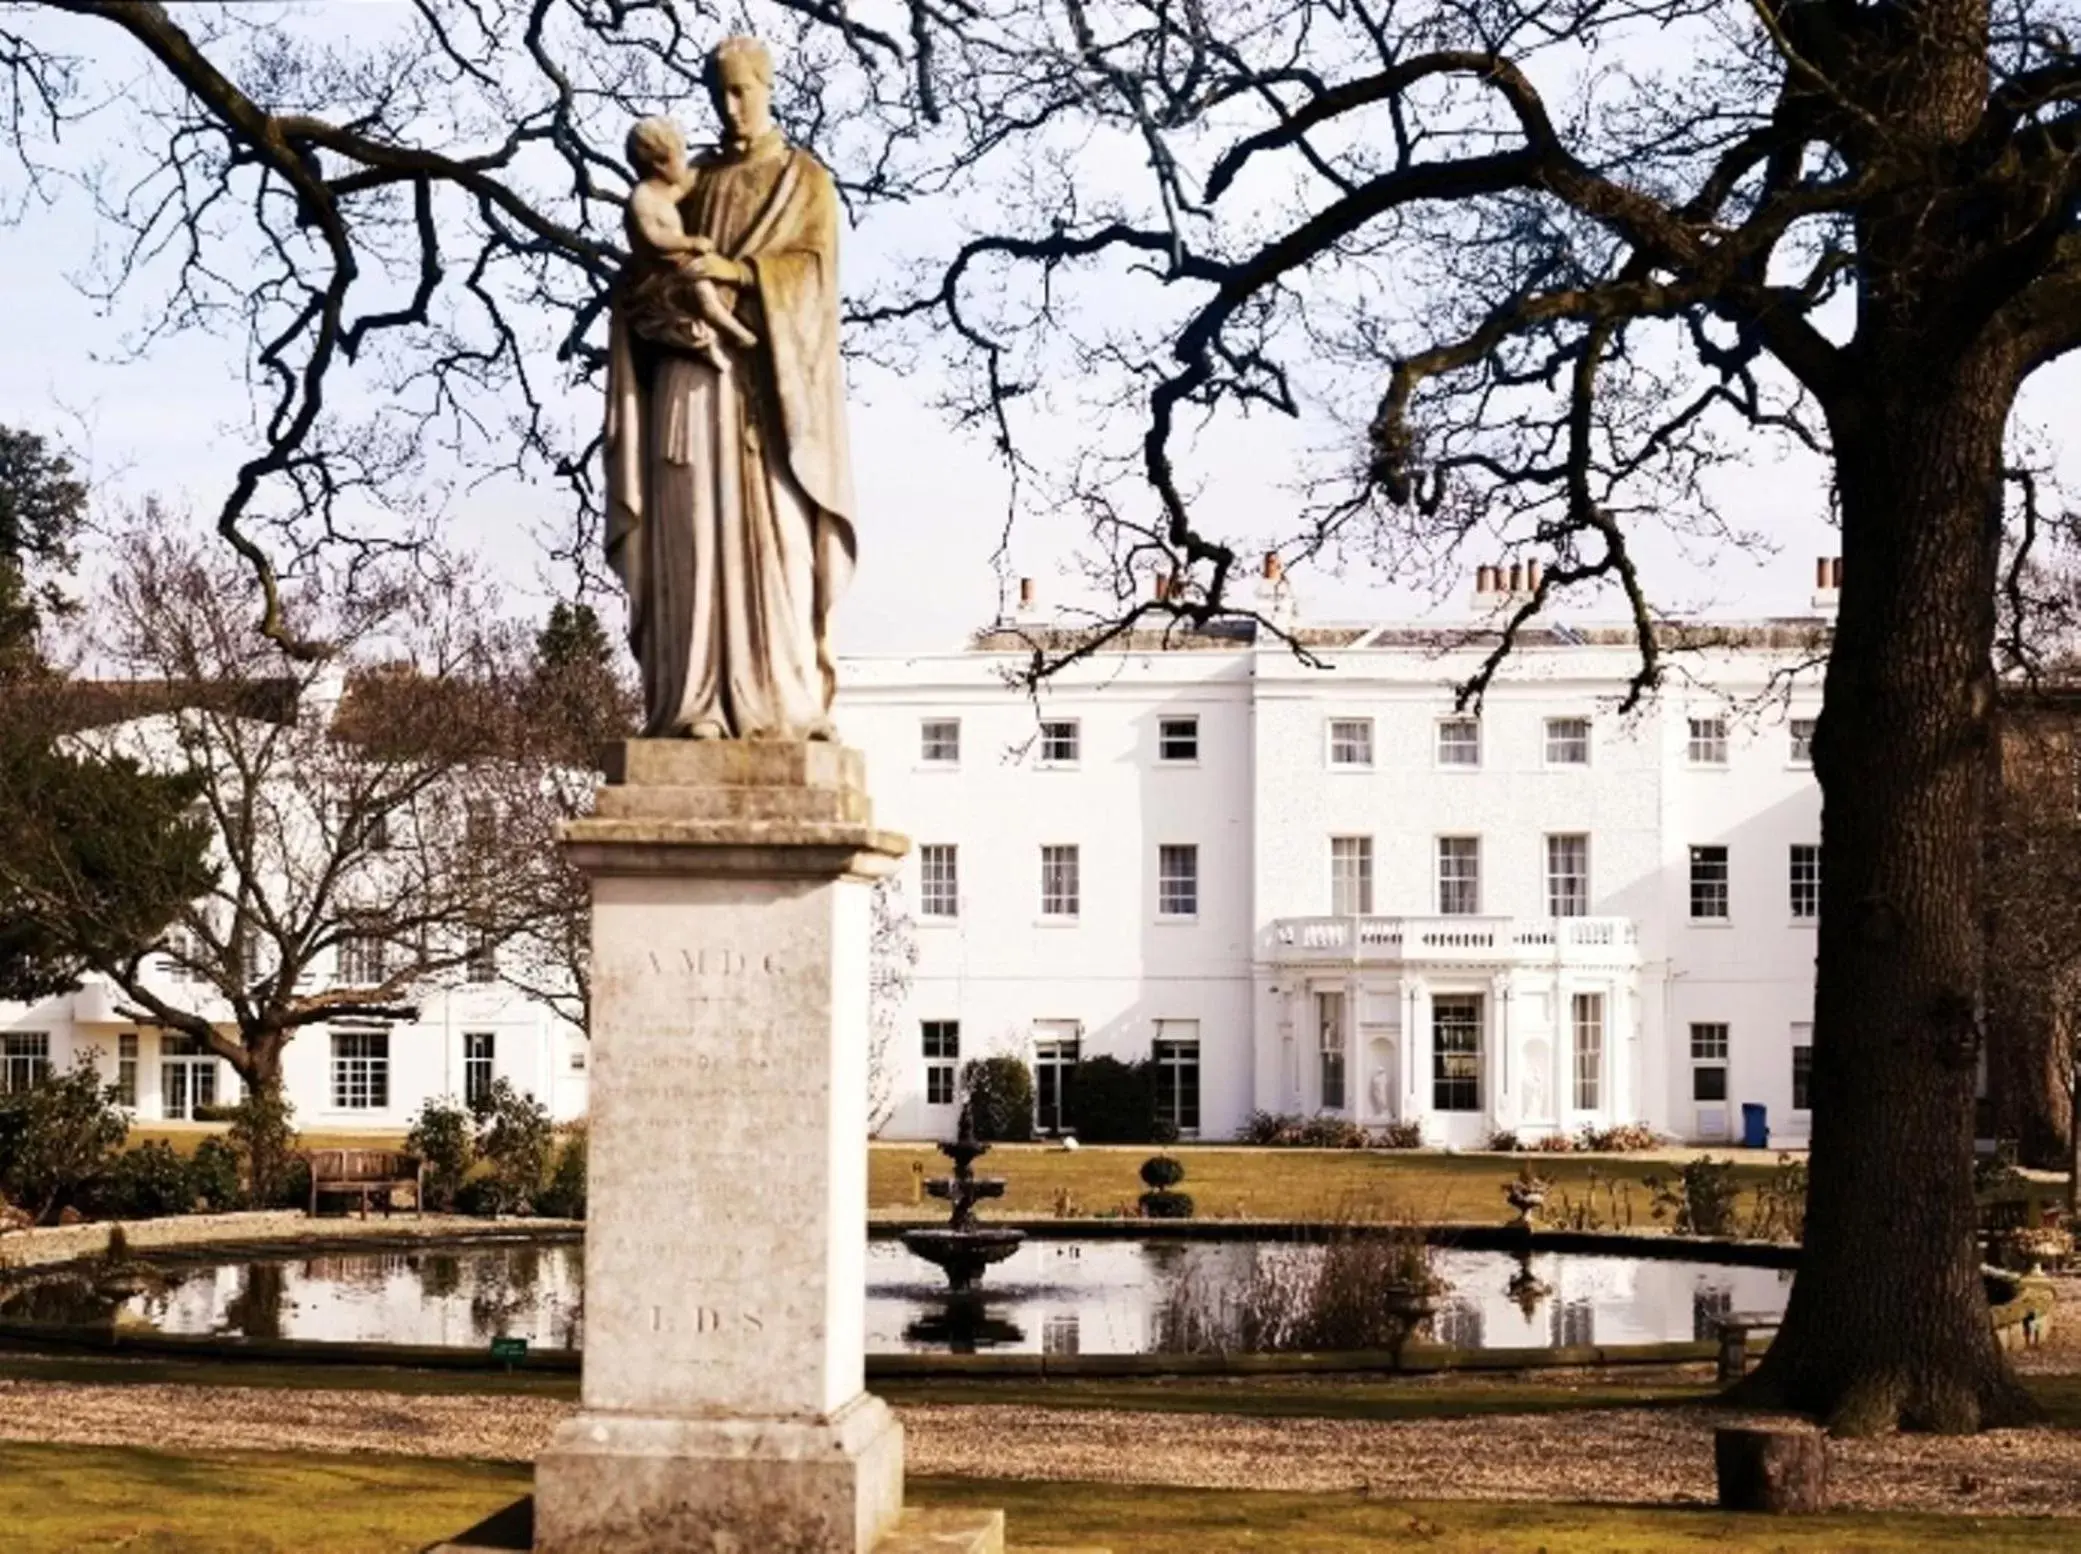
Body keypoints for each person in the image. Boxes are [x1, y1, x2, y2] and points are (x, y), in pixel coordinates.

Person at [603, 36, 856, 741]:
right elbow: (640, 283)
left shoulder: (802, 181)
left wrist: (742, 276)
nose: (728, 105)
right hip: (688, 387)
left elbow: (812, 282)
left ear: (766, 87)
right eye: (717, 92)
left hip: (769, 400)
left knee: (776, 546)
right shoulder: (690, 183)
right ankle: (691, 705)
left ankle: (779, 703)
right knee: (688, 540)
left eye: (741, 90)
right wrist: (666, 307)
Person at [621, 115, 758, 373]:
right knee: (703, 295)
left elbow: (682, 187)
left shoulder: (662, 192)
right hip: (660, 272)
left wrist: (704, 163)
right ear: (661, 164)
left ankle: (720, 337)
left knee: (705, 292)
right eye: (681, 157)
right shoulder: (642, 199)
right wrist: (690, 242)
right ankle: (732, 333)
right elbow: (653, 237)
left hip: (677, 264)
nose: (684, 163)